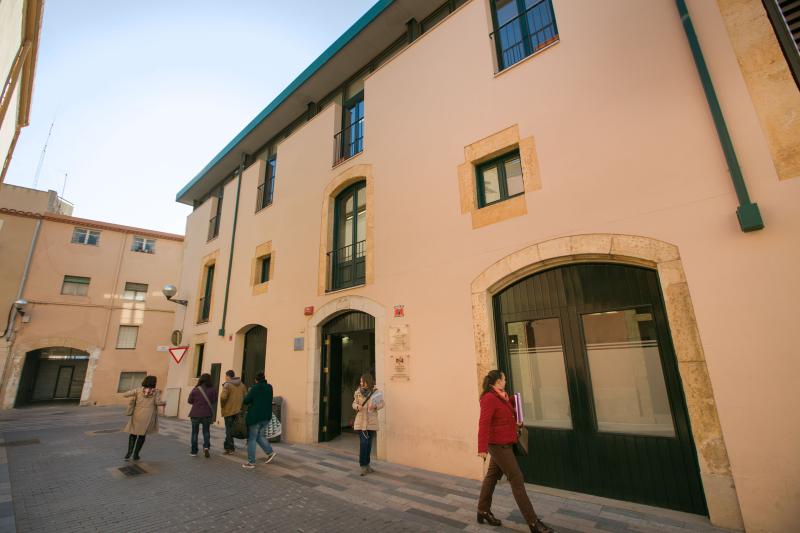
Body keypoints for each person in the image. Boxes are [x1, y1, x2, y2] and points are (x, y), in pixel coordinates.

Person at [477, 370, 555, 533]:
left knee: (491, 476)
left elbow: (506, 416)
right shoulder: (489, 398)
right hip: (498, 445)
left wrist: (516, 418)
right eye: (504, 379)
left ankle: (482, 510)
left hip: (505, 442)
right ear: (498, 381)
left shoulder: (502, 397)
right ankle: (533, 522)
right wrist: (482, 448)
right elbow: (484, 423)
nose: (506, 381)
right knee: (517, 478)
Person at [122, 375, 165, 461]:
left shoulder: (138, 390)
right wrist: (165, 402)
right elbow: (158, 403)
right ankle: (136, 455)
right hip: (148, 416)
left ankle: (128, 453)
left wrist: (134, 396)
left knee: (133, 433)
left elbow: (125, 394)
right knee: (142, 435)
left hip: (137, 415)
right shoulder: (155, 392)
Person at [241, 372, 276, 469]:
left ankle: (251, 462)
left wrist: (249, 392)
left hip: (255, 417)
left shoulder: (255, 388)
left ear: (256, 380)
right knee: (259, 436)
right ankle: (270, 452)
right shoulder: (269, 387)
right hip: (266, 416)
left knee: (252, 439)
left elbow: (246, 400)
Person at [352, 373, 384, 476]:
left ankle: (367, 465)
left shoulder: (376, 392)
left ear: (367, 381)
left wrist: (375, 406)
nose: (361, 383)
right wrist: (358, 407)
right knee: (364, 443)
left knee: (369, 444)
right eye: (360, 381)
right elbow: (353, 404)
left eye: (362, 381)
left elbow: (382, 403)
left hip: (371, 422)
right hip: (361, 422)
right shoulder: (358, 392)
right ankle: (363, 466)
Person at [187, 373, 218, 458]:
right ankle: (206, 447)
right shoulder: (212, 389)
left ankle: (194, 451)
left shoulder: (196, 389)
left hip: (195, 414)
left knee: (194, 433)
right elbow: (214, 400)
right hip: (207, 414)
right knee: (206, 431)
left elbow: (189, 401)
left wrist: (197, 403)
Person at [220, 369, 247, 455]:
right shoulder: (242, 385)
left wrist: (223, 405)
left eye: (225, 376)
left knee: (228, 430)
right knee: (231, 429)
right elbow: (246, 397)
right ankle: (227, 445)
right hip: (238, 411)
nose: (225, 377)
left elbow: (223, 397)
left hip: (228, 411)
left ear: (228, 376)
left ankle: (230, 448)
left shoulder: (227, 385)